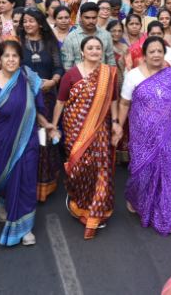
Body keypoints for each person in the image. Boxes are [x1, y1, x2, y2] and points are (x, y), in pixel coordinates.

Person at [117, 36, 171, 235]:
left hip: (167, 135)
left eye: (160, 51)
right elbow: (124, 103)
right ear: (144, 54)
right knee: (141, 174)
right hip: (141, 135)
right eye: (152, 51)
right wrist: (117, 125)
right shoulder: (133, 75)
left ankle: (166, 217)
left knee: (167, 174)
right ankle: (136, 198)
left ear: (165, 53)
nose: (157, 55)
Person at [0, 41, 52, 246]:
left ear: (20, 59)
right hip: (1, 140)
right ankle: (2, 200)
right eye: (6, 56)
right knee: (4, 179)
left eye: (15, 56)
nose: (11, 60)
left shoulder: (28, 78)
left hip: (28, 139)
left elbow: (36, 109)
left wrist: (47, 125)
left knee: (26, 180)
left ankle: (24, 227)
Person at [50, 36, 120, 239]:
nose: (95, 51)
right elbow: (60, 102)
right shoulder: (70, 75)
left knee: (101, 169)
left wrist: (115, 122)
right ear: (82, 51)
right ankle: (80, 203)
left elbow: (113, 100)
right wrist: (54, 126)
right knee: (78, 168)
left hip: (100, 129)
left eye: (98, 48)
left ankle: (95, 214)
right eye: (90, 47)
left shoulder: (109, 73)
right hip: (75, 130)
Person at [19, 8, 64, 202]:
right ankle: (29, 181)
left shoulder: (49, 42)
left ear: (40, 23)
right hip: (25, 97)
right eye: (25, 21)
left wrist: (53, 81)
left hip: (47, 96)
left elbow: (58, 67)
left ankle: (46, 182)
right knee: (29, 139)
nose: (28, 24)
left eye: (31, 21)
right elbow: (13, 67)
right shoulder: (18, 44)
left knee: (46, 137)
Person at [61, 2, 116, 70]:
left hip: (103, 78)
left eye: (94, 18)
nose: (91, 21)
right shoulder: (70, 38)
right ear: (80, 17)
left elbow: (111, 61)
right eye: (87, 18)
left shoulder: (106, 35)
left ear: (97, 17)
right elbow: (67, 66)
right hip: (79, 79)